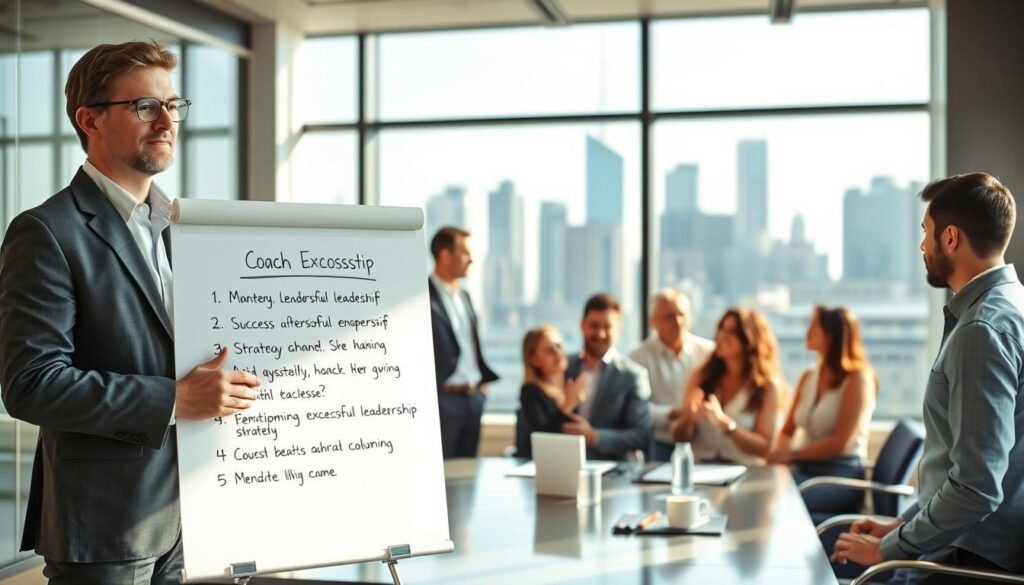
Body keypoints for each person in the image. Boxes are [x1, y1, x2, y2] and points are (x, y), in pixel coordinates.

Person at [0, 42, 261, 584]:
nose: (166, 120)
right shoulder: (46, 231)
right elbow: (31, 384)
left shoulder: (187, 229)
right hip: (105, 528)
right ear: (89, 118)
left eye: (173, 104)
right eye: (144, 106)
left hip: (193, 514)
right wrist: (173, 399)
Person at [832, 172, 1024, 584]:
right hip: (961, 546)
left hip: (962, 560)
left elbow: (976, 487)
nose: (922, 246)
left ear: (950, 238)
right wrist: (900, 527)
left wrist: (889, 549)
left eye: (927, 233)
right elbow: (956, 467)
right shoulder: (1011, 307)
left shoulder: (981, 331)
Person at [768, 305, 878, 523]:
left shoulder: (858, 379)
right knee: (763, 491)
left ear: (830, 335)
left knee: (781, 500)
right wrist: (778, 456)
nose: (807, 332)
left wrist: (792, 455)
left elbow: (840, 443)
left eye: (813, 326)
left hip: (840, 474)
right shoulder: (808, 376)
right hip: (806, 470)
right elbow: (788, 429)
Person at [671, 308, 785, 466]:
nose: (721, 336)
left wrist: (726, 424)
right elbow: (679, 437)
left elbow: (764, 447)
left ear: (749, 339)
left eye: (731, 331)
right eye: (721, 329)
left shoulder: (766, 387)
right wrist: (688, 419)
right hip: (702, 470)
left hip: (747, 473)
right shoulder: (701, 376)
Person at [427, 226, 499, 459]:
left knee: (468, 476)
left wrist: (480, 385)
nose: (472, 260)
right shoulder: (421, 297)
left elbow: (470, 345)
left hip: (473, 399)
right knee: (443, 476)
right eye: (465, 253)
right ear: (445, 255)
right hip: (443, 401)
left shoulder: (465, 296)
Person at [563, 293, 652, 461]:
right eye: (594, 325)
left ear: (618, 330)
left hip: (614, 471)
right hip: (564, 464)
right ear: (582, 325)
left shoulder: (633, 375)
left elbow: (640, 435)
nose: (600, 333)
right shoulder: (563, 367)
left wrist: (594, 436)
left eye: (607, 327)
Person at [629, 289, 714, 462]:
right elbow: (638, 410)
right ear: (653, 321)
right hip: (661, 443)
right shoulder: (638, 357)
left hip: (704, 443)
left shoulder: (708, 352)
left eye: (682, 315)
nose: (678, 321)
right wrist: (674, 413)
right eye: (669, 316)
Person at [517, 325, 590, 459]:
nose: (558, 354)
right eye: (549, 351)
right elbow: (544, 438)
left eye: (559, 346)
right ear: (534, 359)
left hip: (573, 458)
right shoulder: (530, 391)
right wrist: (568, 405)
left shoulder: (572, 380)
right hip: (545, 463)